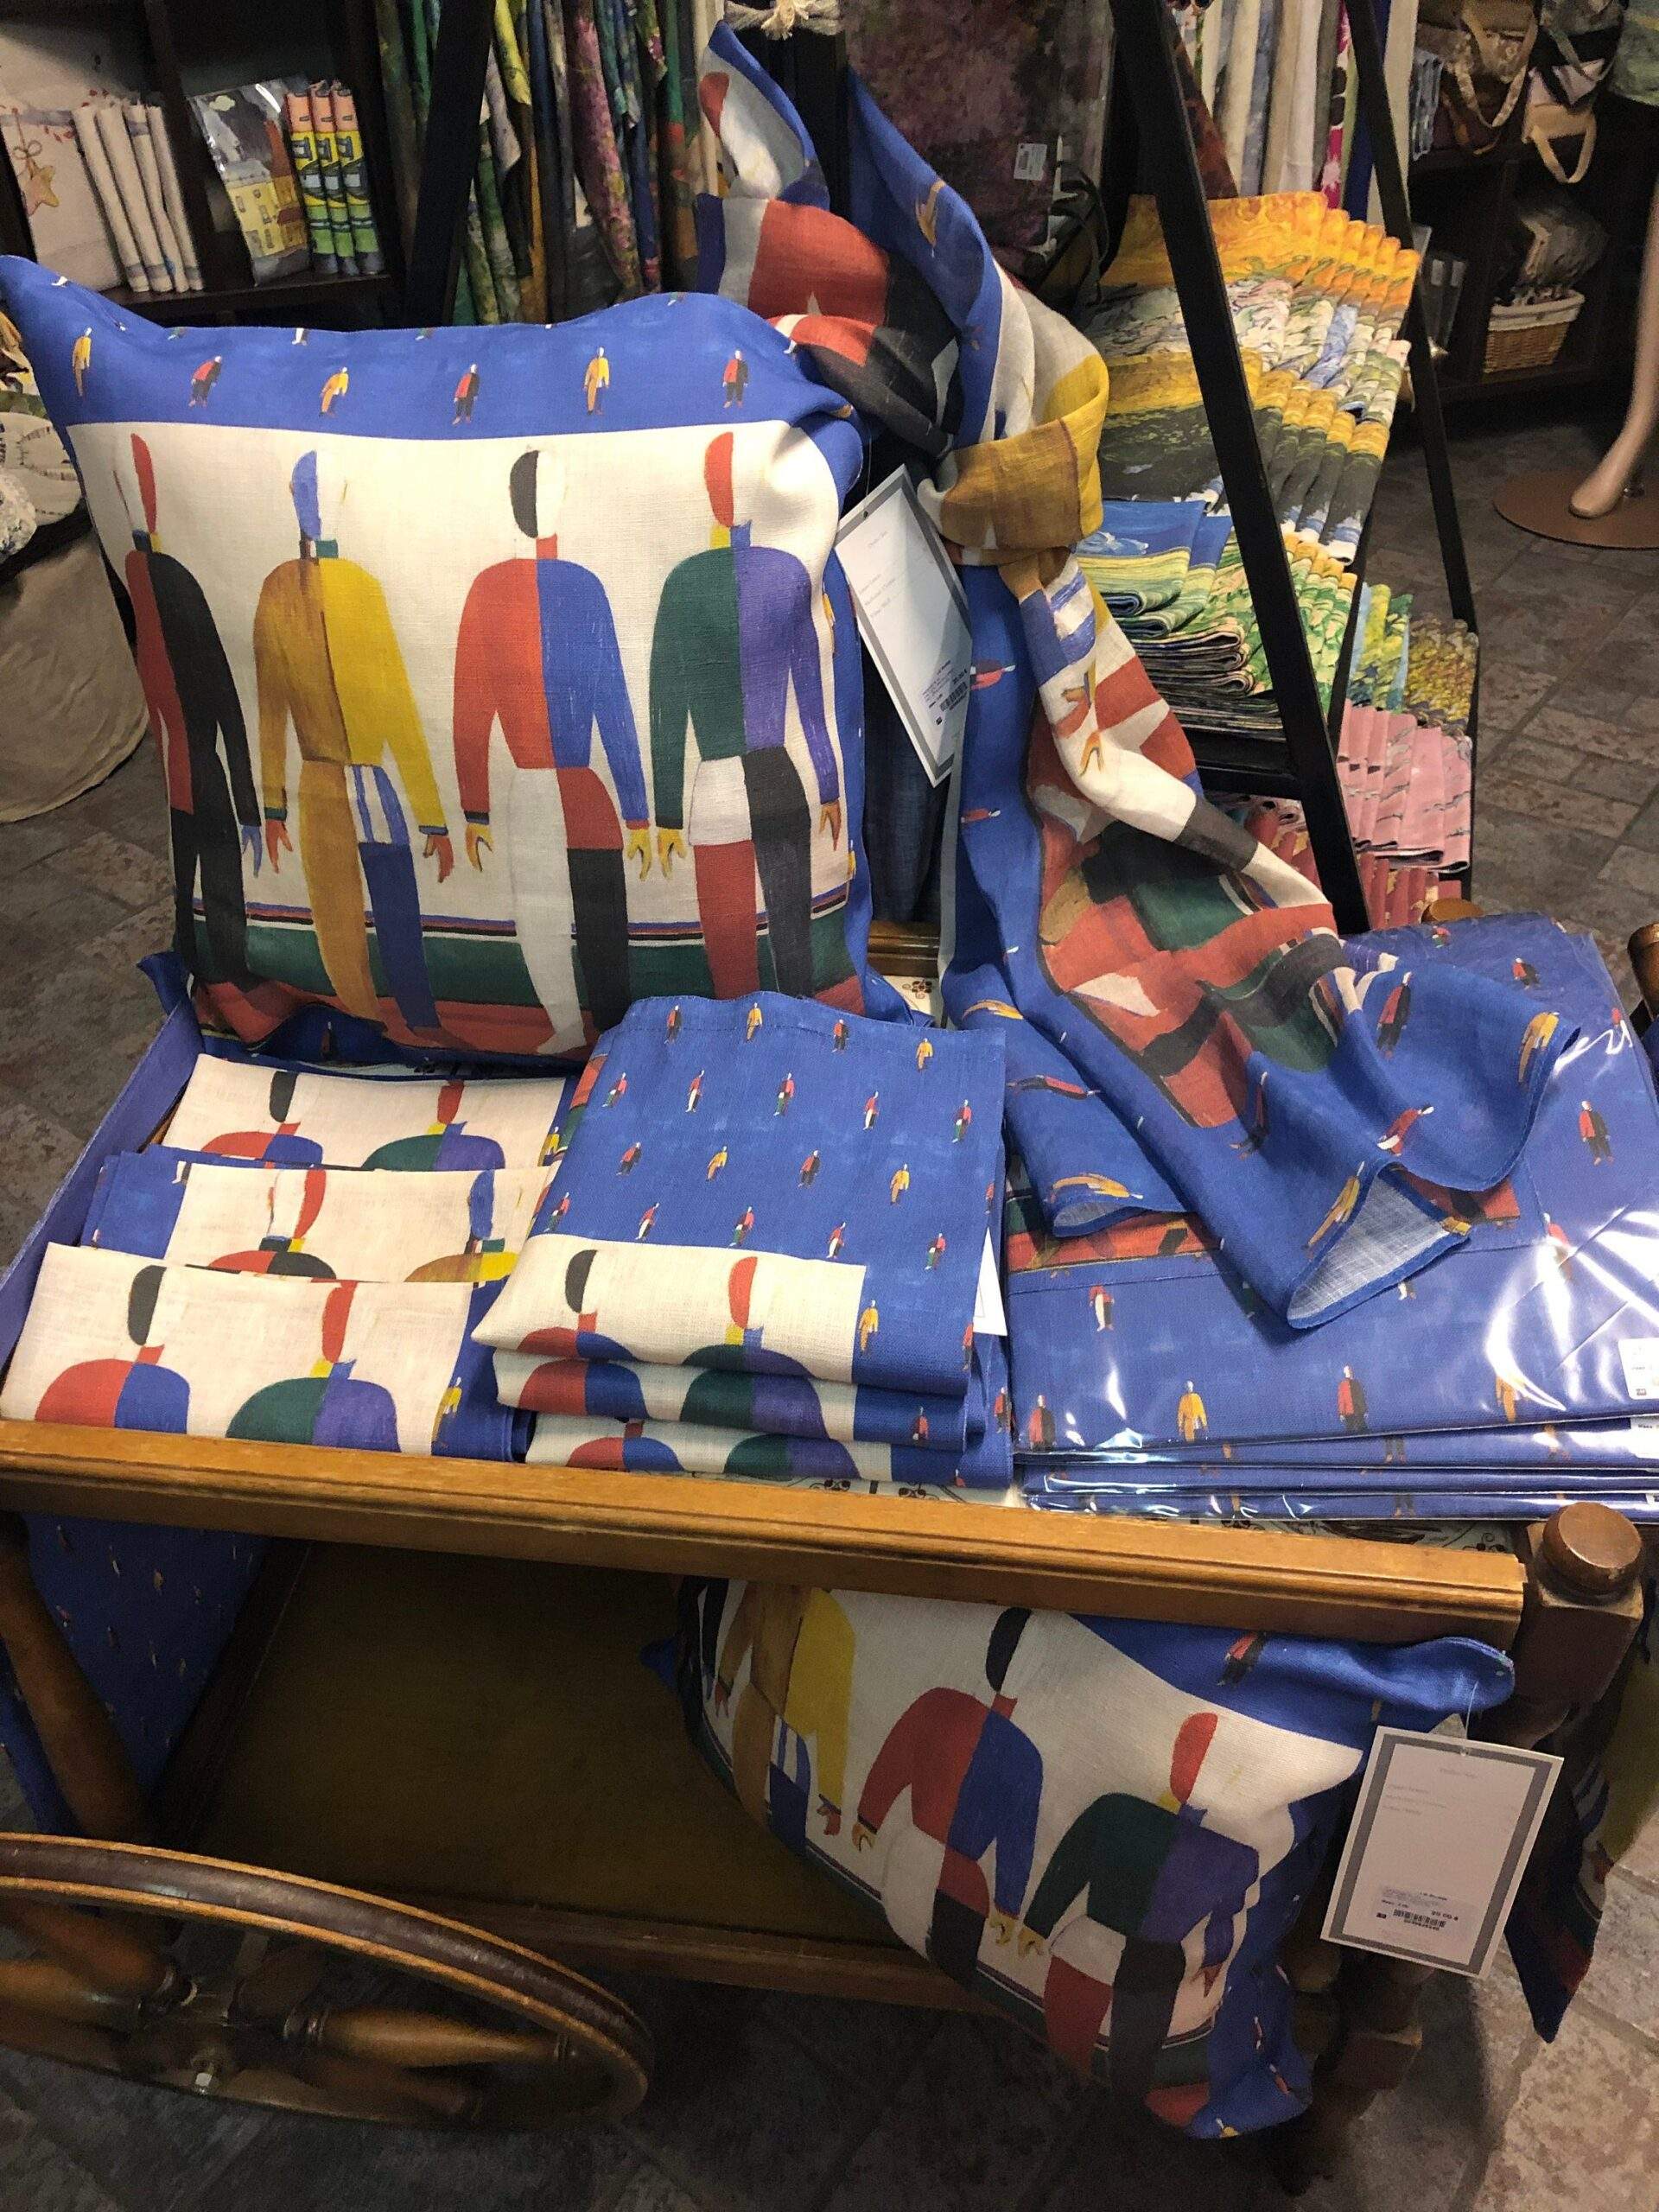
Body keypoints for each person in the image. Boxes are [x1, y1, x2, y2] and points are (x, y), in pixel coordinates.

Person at [453, 448, 650, 1046]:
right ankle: (598, 1029)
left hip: (546, 786)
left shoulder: (491, 588)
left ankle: (579, 1026)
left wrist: (476, 809)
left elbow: (470, 710)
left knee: (557, 915)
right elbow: (613, 704)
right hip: (571, 784)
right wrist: (637, 813)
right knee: (580, 913)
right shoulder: (581, 587)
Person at [255, 451, 452, 1033]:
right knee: (352, 915)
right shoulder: (319, 587)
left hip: (348, 778)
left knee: (377, 910)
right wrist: (272, 805)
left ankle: (403, 1019)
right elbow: (272, 707)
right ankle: (383, 1020)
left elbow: (395, 707)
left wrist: (432, 817)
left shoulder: (326, 586)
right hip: (337, 777)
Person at [650, 433, 842, 996]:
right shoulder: (787, 571)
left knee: (728, 947)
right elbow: (811, 700)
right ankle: (800, 1024)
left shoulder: (683, 582)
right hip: (779, 775)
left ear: (711, 494)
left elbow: (666, 708)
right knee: (794, 940)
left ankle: (736, 1033)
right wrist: (828, 787)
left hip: (714, 786)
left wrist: (665, 813)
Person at [1019, 1711, 1258, 2106]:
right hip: (1099, 1946)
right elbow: (1071, 1864)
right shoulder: (1118, 1810)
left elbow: (1227, 1910)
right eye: (1192, 1753)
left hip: (1144, 1960)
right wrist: (1036, 1923)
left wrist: (1038, 1924)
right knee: (1069, 2038)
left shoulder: (1234, 1855)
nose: (1195, 1769)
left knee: (1121, 2063)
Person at [120, 435, 260, 988]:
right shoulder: (149, 573)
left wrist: (251, 805)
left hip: (194, 769)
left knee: (212, 879)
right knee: (207, 884)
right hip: (192, 770)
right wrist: (250, 806)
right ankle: (228, 980)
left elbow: (225, 703)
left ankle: (232, 978)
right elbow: (225, 704)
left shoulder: (161, 577)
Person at [852, 1610, 1043, 1988]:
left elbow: (894, 1757)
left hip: (920, 1863)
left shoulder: (940, 1704)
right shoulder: (1025, 1757)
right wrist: (1007, 1905)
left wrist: (869, 1818)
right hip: (960, 1888)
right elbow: (1017, 1839)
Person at [714, 1584, 855, 1847]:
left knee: (786, 1825)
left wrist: (832, 1795)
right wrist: (725, 1677)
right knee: (748, 1798)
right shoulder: (772, 1588)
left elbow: (835, 1716)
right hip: (758, 1709)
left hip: (795, 1736)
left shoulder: (836, 1624)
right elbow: (744, 1621)